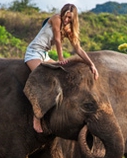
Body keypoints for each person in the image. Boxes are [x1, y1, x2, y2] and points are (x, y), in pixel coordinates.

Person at [24, 3, 99, 133]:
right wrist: (60, 59)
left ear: (73, 18)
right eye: (65, 16)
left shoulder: (68, 28)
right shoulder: (56, 18)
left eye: (69, 18)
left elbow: (78, 48)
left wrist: (91, 64)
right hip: (34, 52)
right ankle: (36, 118)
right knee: (44, 80)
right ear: (62, 13)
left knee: (65, 75)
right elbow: (58, 40)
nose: (65, 19)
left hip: (45, 55)